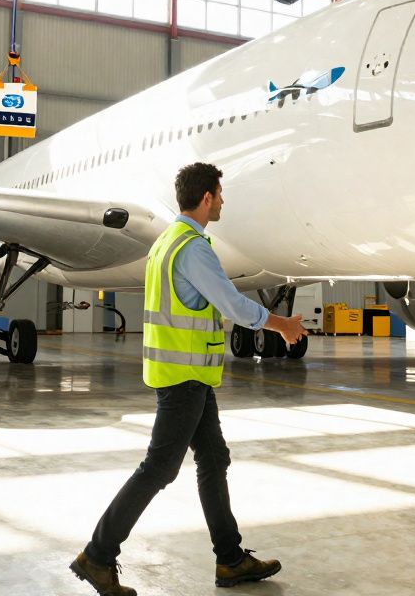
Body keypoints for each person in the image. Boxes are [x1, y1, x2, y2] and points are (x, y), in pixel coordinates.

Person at [70, 163, 307, 596]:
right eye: (219, 194)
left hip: (187, 373)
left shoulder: (168, 241)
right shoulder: (193, 248)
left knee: (214, 459)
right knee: (159, 468)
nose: (222, 201)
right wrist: (282, 325)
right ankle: (98, 556)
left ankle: (231, 559)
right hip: (184, 378)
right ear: (205, 199)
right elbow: (233, 306)